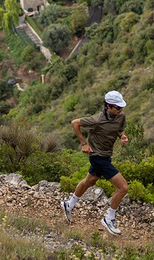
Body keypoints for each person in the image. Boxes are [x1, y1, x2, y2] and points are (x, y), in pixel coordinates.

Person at [61, 90, 129, 235]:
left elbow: (120, 130)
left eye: (120, 107)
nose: (120, 109)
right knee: (123, 188)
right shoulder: (97, 119)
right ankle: (109, 218)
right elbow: (75, 123)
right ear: (108, 106)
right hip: (97, 156)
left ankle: (69, 204)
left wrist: (122, 136)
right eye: (117, 107)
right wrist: (83, 143)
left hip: (106, 156)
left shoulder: (121, 116)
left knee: (88, 182)